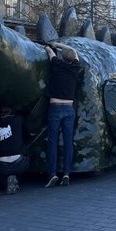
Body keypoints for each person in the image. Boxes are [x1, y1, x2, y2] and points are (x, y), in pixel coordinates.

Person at [44, 43, 81, 187]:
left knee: (52, 141)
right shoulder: (75, 67)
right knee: (68, 142)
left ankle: (52, 174)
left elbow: (49, 51)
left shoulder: (57, 64)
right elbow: (74, 52)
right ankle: (66, 173)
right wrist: (61, 47)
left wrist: (51, 45)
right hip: (69, 108)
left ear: (62, 56)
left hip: (55, 107)